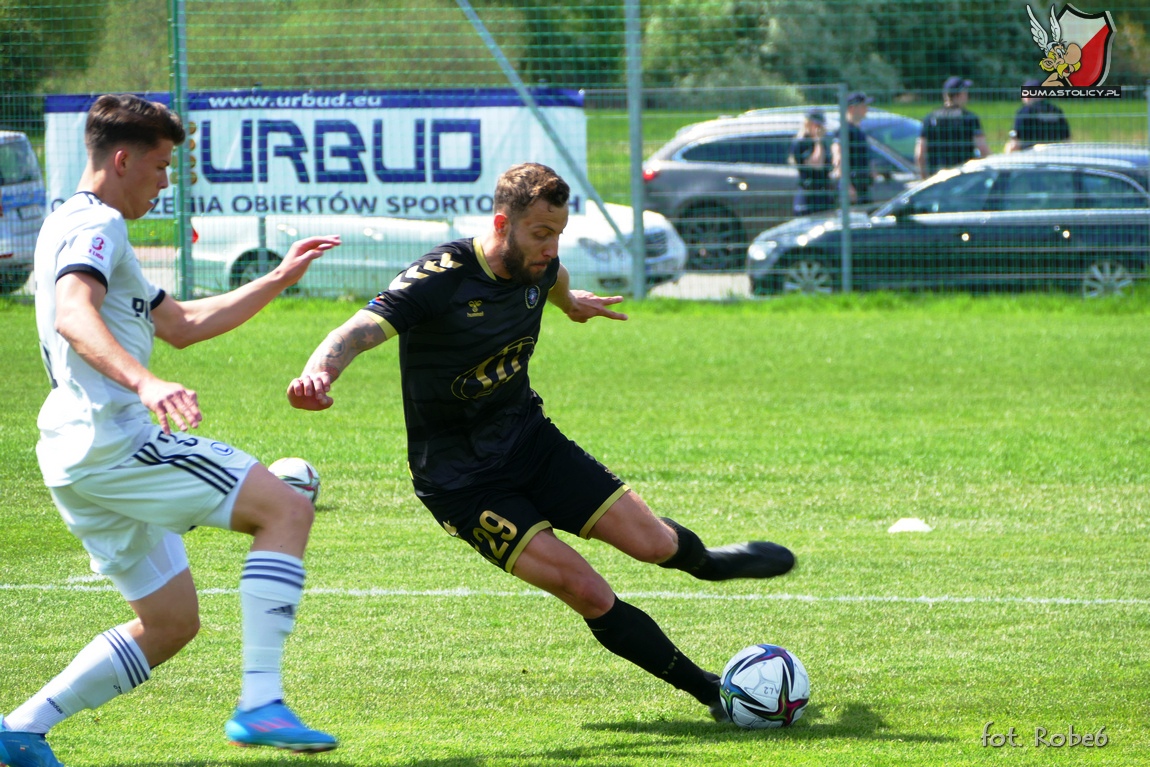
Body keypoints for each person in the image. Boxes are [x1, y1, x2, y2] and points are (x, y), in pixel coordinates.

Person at [286, 162, 795, 722]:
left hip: (531, 442)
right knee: (589, 591)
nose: (551, 248)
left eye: (558, 234)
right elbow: (354, 331)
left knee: (653, 545)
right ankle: (713, 694)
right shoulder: (442, 276)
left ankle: (708, 563)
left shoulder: (540, 266)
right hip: (462, 483)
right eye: (540, 234)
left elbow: (555, 282)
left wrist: (574, 305)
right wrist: (320, 373)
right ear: (503, 223)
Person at [0, 94, 341, 767]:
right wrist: (145, 382)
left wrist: (276, 277)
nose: (165, 183)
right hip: (116, 439)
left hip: (72, 452)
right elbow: (74, 311)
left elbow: (181, 324)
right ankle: (260, 703)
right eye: (159, 168)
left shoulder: (76, 224)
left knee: (171, 622)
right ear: (121, 159)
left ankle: (19, 730)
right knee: (287, 508)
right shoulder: (98, 224)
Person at [915, 77, 991, 178]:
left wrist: (924, 178)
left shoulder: (930, 118)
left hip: (937, 177)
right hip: (963, 177)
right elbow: (983, 150)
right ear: (960, 94)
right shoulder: (969, 118)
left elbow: (920, 154)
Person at [832, 92, 876, 206]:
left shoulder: (859, 130)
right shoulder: (845, 130)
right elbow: (838, 156)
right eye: (863, 106)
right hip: (852, 186)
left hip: (862, 185)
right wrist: (847, 186)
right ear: (852, 108)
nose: (867, 109)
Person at [789, 110, 836, 216]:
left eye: (821, 125)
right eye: (817, 124)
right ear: (808, 124)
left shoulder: (821, 142)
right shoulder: (801, 143)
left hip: (823, 195)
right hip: (809, 197)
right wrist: (818, 141)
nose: (820, 128)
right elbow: (817, 164)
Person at [1005, 79, 1071, 153]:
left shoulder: (1025, 111)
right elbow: (1066, 139)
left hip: (1029, 152)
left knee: (1009, 145)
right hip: (1054, 151)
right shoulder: (1056, 110)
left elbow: (1015, 137)